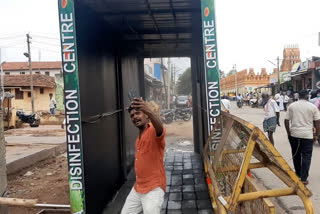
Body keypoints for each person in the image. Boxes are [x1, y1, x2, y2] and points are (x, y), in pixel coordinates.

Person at [121, 98, 166, 214]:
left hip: (153, 189)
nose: (134, 117)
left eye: (138, 113)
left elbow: (160, 128)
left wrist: (148, 110)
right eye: (132, 115)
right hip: (138, 188)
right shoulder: (139, 138)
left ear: (146, 115)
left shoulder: (153, 131)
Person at [284, 90, 320, 185]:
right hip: (307, 135)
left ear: (298, 96)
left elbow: (286, 121)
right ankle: (304, 178)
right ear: (308, 96)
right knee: (306, 157)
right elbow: (317, 122)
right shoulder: (313, 107)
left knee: (296, 155)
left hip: (295, 135)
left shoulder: (292, 106)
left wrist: (289, 133)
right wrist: (316, 135)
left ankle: (298, 174)